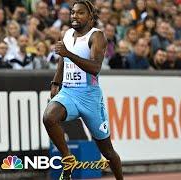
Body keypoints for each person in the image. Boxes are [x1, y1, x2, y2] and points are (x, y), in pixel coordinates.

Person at [42, 1, 123, 180]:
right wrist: (56, 82)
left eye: (80, 13)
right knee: (49, 117)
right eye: (72, 13)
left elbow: (95, 67)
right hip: (69, 92)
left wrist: (68, 53)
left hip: (89, 97)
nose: (74, 16)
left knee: (108, 151)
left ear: (90, 17)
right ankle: (67, 158)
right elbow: (62, 59)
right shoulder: (68, 34)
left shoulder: (97, 36)